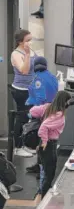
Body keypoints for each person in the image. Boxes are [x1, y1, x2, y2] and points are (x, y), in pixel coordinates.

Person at [29, 91, 72, 198]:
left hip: (42, 144)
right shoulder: (59, 115)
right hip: (48, 145)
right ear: (65, 102)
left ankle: (41, 192)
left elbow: (33, 111)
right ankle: (44, 197)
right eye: (68, 101)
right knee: (50, 173)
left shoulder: (48, 107)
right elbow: (43, 127)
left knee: (44, 171)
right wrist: (44, 141)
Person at [25, 56, 59, 176]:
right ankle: (41, 166)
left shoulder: (38, 78)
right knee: (49, 140)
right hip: (53, 111)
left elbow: (40, 98)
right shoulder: (52, 76)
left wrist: (34, 112)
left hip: (43, 112)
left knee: (42, 139)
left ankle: (42, 169)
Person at [10, 29, 37, 158]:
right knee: (22, 118)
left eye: (31, 40)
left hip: (31, 89)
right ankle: (18, 147)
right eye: (28, 40)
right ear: (20, 42)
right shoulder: (16, 54)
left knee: (29, 117)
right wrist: (26, 54)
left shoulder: (31, 51)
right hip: (21, 90)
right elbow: (24, 70)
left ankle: (26, 144)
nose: (30, 43)